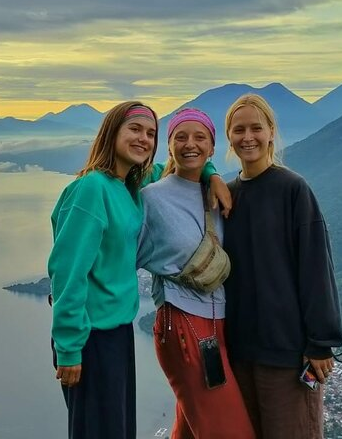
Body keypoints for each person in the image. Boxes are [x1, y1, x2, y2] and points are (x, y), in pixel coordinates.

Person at [48, 102, 231, 439]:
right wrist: (69, 348)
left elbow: (184, 161)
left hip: (116, 330)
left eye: (150, 133)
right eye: (134, 129)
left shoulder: (129, 183)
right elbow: (67, 272)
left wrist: (212, 174)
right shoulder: (92, 189)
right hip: (90, 336)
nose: (144, 139)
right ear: (112, 132)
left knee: (117, 430)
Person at [222, 94, 342, 439]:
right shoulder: (228, 195)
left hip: (287, 353)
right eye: (239, 130)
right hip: (241, 351)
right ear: (229, 138)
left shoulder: (292, 189)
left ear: (271, 133)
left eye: (256, 128)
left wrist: (321, 342)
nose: (248, 137)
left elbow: (316, 267)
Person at [137, 108, 255, 439]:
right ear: (169, 145)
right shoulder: (151, 198)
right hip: (184, 325)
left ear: (212, 147)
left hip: (220, 324)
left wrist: (212, 175)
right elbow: (119, 254)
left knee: (190, 428)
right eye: (181, 137)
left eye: (200, 137)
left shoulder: (216, 192)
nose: (191, 144)